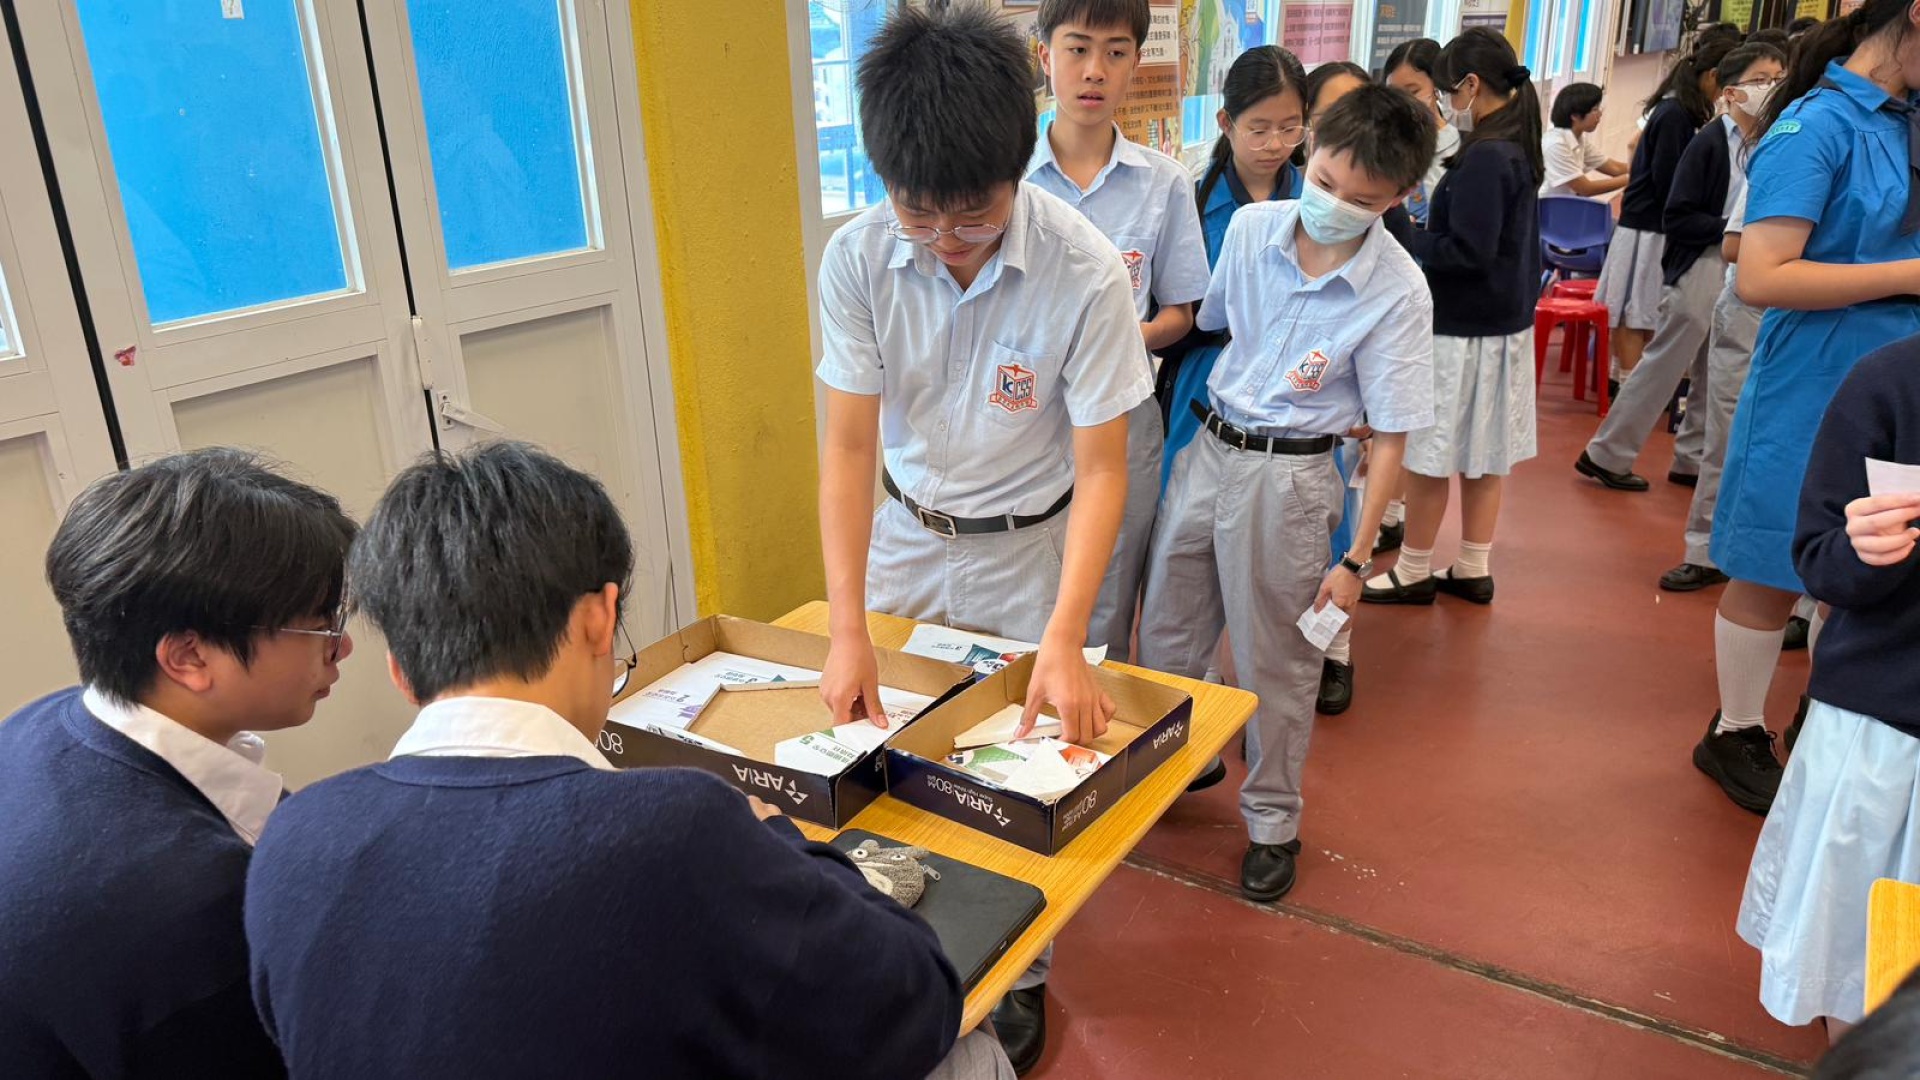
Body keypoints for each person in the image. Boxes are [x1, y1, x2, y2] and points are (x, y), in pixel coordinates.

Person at [244, 442, 1011, 1079]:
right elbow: (917, 1001)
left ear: (401, 672)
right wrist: (776, 836)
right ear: (597, 617)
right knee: (972, 1056)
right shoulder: (672, 827)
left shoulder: (290, 839)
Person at [812, 5, 1149, 1072]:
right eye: (920, 212)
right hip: (907, 538)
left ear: (1019, 168)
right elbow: (848, 450)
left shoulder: (1084, 269)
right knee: (887, 755)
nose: (948, 239)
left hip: (1026, 554)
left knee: (1019, 778)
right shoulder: (859, 258)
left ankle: (1022, 975)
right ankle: (900, 947)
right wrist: (847, 625)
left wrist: (1066, 634)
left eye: (975, 214)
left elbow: (1104, 469)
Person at [1138, 84, 1435, 903]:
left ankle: (1272, 820)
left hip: (1294, 477)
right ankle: (1177, 765)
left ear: (1398, 198)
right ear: (1314, 152)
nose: (1335, 205)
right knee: (1167, 630)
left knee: (1277, 661)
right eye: (1327, 181)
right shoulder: (1251, 230)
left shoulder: (1398, 290)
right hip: (1209, 446)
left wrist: (1357, 558)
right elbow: (1223, 324)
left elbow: (1393, 436)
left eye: (1362, 201)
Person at [0, 448, 356, 1079]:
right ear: (188, 657)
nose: (342, 646)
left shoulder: (41, 723)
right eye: (319, 627)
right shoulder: (192, 909)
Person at [1698, 0, 1920, 814]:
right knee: (1772, 560)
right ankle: (1735, 729)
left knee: (1872, 558)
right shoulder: (1814, 126)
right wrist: (1910, 274)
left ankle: (1823, 720)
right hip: (1816, 375)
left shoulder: (1904, 120)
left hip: (1899, 380)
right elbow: (1762, 274)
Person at [1736, 334, 1920, 1047]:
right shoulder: (1890, 382)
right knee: (1868, 967)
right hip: (1886, 736)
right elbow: (1821, 560)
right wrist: (1866, 551)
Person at [1026, 0, 1210, 662]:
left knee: (1108, 593)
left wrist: (1118, 338)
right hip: (1025, 413)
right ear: (1045, 56)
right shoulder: (1008, 178)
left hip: (1125, 415)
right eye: (1077, 49)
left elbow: (1181, 315)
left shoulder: (1164, 183)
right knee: (1027, 587)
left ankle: (1096, 717)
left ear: (1136, 62)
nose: (1094, 70)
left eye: (1115, 52)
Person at [1155, 45, 1317, 745]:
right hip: (1204, 388)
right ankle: (1198, 703)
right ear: (1225, 122)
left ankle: (1275, 706)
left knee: (1279, 559)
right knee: (1184, 552)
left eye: (1290, 127)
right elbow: (1176, 305)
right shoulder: (1194, 202)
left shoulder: (1319, 198)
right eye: (1259, 128)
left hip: (1295, 398)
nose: (1275, 143)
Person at [1361, 28, 1542, 608]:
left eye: (1441, 91)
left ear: (1470, 84)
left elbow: (1468, 251)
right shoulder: (1515, 143)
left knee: (1430, 457)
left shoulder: (1486, 155)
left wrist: (1409, 236)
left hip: (1462, 329)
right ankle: (1472, 566)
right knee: (1484, 458)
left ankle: (1414, 568)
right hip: (1502, 325)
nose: (1441, 103)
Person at [1575, 43, 1787, 493]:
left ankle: (1691, 458)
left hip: (1739, 265)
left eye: (1777, 79)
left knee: (1716, 368)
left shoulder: (1766, 143)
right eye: (1760, 79)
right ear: (1730, 91)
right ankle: (1606, 453)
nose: (1770, 88)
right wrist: (1734, 230)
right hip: (1702, 262)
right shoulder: (1708, 142)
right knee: (1666, 363)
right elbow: (1679, 215)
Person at [1594, 35, 1742, 378]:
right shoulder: (1674, 114)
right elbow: (1667, 181)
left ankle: (1630, 382)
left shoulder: (1681, 111)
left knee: (1645, 313)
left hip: (1654, 227)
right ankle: (1626, 382)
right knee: (1635, 314)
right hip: (1646, 228)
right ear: (1713, 76)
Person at [1384, 38, 1463, 226]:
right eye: (1394, 94)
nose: (1403, 103)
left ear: (1437, 87)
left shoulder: (1460, 143)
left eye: (1413, 92)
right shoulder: (1381, 142)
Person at [1540, 82, 1630, 197]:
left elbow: (1614, 168)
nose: (1600, 114)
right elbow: (1586, 189)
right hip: (1547, 205)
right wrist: (1631, 177)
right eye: (1595, 109)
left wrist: (1643, 168)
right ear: (1575, 115)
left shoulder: (1577, 138)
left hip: (1567, 203)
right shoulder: (1556, 144)